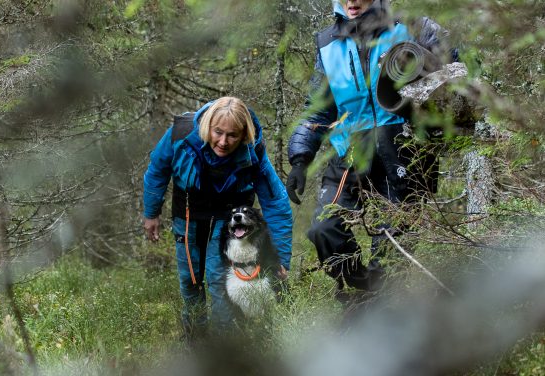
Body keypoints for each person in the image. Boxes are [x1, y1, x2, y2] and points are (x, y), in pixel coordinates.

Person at [286, 0, 456, 298]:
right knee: (323, 229)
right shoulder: (328, 43)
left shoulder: (411, 25)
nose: (352, 2)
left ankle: (376, 304)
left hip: (404, 144)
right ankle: (362, 286)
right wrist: (300, 158)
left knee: (393, 246)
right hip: (350, 149)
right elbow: (318, 109)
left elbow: (454, 68)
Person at [143, 96, 292, 334]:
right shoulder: (180, 134)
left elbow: (275, 201)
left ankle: (224, 342)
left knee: (218, 278)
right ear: (207, 126)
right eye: (218, 132)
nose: (223, 142)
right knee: (189, 280)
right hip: (189, 213)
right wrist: (151, 213)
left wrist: (281, 258)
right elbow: (157, 170)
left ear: (243, 135)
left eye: (232, 135)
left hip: (229, 218)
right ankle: (195, 335)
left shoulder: (254, 151)